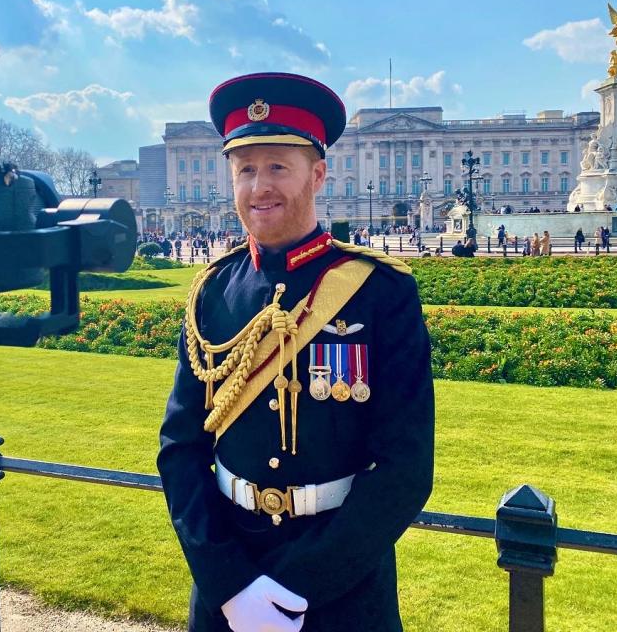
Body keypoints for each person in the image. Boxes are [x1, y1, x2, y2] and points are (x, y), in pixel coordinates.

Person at [157, 72, 434, 632]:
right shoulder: (213, 290)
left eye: (278, 166)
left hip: (341, 589)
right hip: (227, 583)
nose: (261, 186)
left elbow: (406, 468)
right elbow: (180, 449)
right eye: (246, 169)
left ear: (319, 173)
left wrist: (298, 586)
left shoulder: (380, 291)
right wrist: (230, 584)